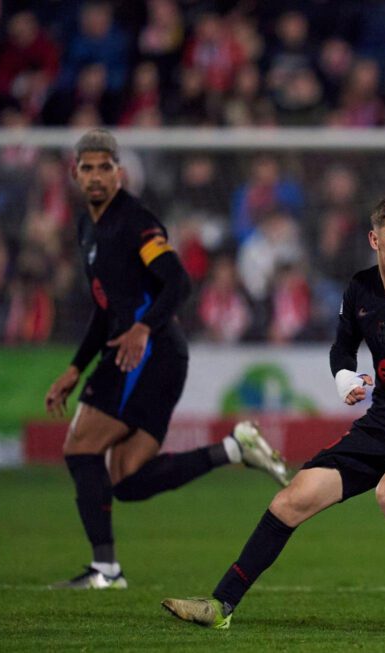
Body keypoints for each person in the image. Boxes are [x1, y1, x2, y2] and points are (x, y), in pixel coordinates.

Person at [162, 195, 385, 633]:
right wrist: (345, 380)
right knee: (289, 499)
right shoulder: (360, 290)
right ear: (375, 240)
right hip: (380, 426)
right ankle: (220, 606)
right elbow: (342, 348)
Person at [45, 129, 290, 590]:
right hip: (142, 351)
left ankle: (105, 571)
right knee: (128, 481)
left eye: (105, 167)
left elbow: (177, 282)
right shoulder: (87, 229)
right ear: (75, 174)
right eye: (87, 168)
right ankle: (234, 449)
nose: (96, 176)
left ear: (119, 172)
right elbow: (105, 310)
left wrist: (141, 329)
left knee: (80, 449)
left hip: (148, 351)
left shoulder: (135, 222)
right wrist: (75, 369)